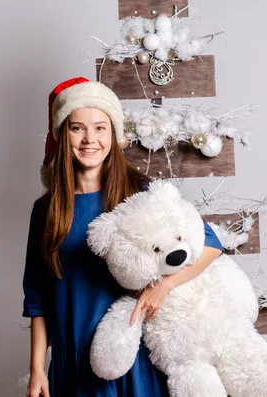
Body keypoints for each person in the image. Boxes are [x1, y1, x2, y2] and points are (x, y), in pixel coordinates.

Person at [22, 77, 224, 397]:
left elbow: (210, 242)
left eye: (100, 128)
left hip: (133, 361)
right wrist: (36, 370)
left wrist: (164, 286)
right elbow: (37, 300)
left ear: (113, 134)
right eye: (78, 128)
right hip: (73, 366)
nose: (90, 139)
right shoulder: (46, 210)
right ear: (63, 135)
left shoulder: (137, 192)